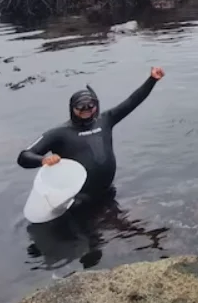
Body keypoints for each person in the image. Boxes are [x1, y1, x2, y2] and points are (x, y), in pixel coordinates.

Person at [17, 67, 165, 206]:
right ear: (72, 108)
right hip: (78, 200)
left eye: (90, 105)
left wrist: (152, 80)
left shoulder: (105, 120)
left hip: (107, 192)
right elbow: (24, 157)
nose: (86, 110)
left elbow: (132, 102)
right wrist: (43, 160)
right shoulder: (60, 133)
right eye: (80, 106)